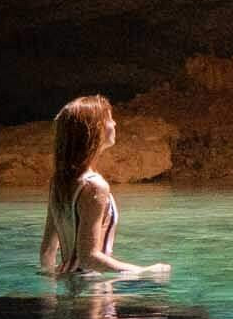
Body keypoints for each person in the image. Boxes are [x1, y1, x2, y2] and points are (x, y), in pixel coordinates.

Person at [39, 94, 170, 281]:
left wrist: (51, 294)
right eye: (109, 119)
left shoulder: (60, 181)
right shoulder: (94, 186)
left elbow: (47, 251)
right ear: (95, 129)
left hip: (69, 286)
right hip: (93, 290)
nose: (114, 124)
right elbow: (88, 258)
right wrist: (143, 272)